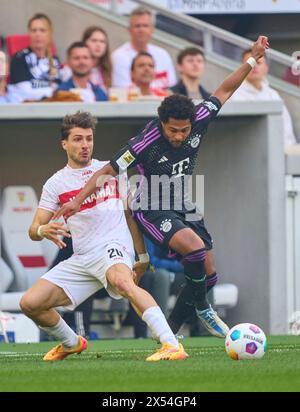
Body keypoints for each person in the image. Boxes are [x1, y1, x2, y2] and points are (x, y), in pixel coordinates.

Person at [53, 36, 270, 340]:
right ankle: (202, 309)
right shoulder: (147, 140)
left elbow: (225, 89)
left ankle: (172, 328)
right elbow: (107, 170)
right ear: (162, 123)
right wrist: (77, 201)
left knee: (208, 271)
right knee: (194, 252)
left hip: (182, 201)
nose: (179, 136)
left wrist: (252, 59)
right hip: (151, 204)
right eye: (172, 130)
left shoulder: (201, 117)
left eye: (184, 130)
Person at [20, 111, 187, 362]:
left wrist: (141, 255)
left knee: (124, 282)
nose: (85, 145)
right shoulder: (55, 184)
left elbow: (130, 214)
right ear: (64, 144)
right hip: (83, 257)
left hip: (113, 246)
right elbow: (34, 230)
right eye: (77, 139)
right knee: (30, 303)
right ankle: (71, 342)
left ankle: (171, 344)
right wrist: (43, 230)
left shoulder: (109, 170)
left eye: (89, 138)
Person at [229, 48, 297, 146]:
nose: (254, 67)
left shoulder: (273, 95)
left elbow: (286, 128)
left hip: (277, 152)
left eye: (259, 63)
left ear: (266, 68)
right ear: (242, 68)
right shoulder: (233, 96)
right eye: (250, 63)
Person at [112, 6, 176, 89]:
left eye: (145, 26)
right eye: (137, 26)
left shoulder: (163, 54)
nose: (141, 30)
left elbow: (172, 89)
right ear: (129, 29)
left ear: (152, 29)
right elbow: (122, 92)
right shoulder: (118, 57)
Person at [8, 13, 61, 102]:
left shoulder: (54, 60)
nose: (38, 34)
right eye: (34, 30)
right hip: (25, 111)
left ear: (50, 34)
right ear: (29, 33)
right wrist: (52, 93)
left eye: (42, 30)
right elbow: (25, 92)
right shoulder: (19, 58)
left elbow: (58, 88)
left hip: (50, 109)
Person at [62, 26, 112, 92]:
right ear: (85, 42)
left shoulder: (108, 68)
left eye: (102, 41)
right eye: (94, 40)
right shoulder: (71, 68)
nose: (98, 45)